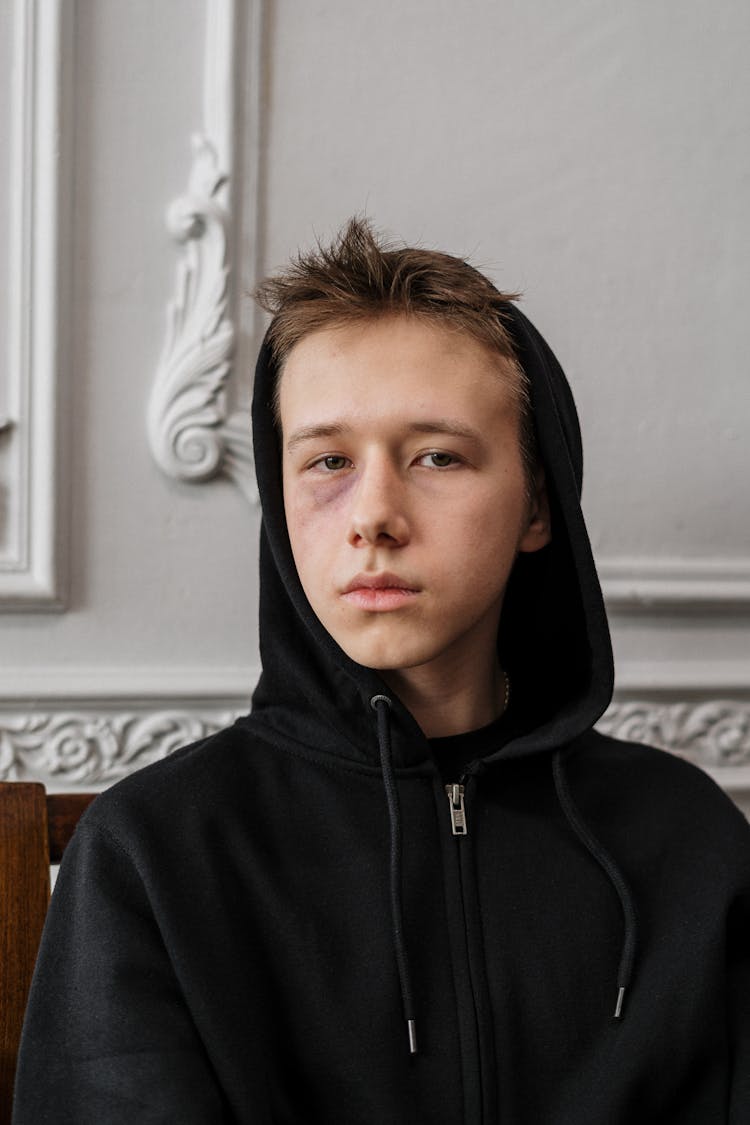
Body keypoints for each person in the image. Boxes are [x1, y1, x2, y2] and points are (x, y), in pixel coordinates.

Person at [13, 219, 750, 1123]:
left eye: (436, 456)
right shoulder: (155, 853)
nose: (373, 516)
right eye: (327, 461)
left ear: (537, 505)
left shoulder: (690, 843)